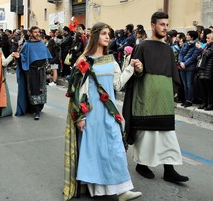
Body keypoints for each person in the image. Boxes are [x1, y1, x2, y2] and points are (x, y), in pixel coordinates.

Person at [63, 22, 143, 201]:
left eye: (109, 34)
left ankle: (122, 190)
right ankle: (99, 191)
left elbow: (117, 85)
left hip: (110, 113)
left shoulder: (112, 60)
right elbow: (79, 90)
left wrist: (130, 68)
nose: (108, 37)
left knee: (115, 149)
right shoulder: (84, 60)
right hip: (92, 114)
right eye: (104, 33)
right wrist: (80, 116)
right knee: (95, 150)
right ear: (95, 36)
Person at [123, 11, 189, 184]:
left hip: (164, 101)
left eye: (167, 25)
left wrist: (172, 94)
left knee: (168, 135)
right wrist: (138, 70)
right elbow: (134, 72)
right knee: (147, 136)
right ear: (152, 25)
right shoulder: (142, 46)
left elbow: (173, 76)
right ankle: (142, 165)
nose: (165, 28)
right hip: (146, 100)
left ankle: (170, 169)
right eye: (162, 24)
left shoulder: (168, 49)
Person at [15, 26, 53, 120]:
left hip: (42, 70)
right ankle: (36, 111)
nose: (37, 34)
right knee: (33, 90)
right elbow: (23, 56)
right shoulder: (27, 45)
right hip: (31, 71)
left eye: (38, 32)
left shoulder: (42, 44)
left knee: (42, 89)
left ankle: (39, 108)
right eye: (35, 32)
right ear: (31, 34)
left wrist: (48, 71)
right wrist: (18, 57)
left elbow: (46, 58)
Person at [196, 33, 213, 111]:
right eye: (206, 38)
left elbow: (207, 54)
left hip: (209, 69)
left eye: (208, 38)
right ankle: (204, 103)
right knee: (203, 88)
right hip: (203, 69)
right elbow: (203, 55)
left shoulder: (212, 46)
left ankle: (210, 104)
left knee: (209, 88)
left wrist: (200, 48)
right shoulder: (207, 46)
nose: (206, 40)